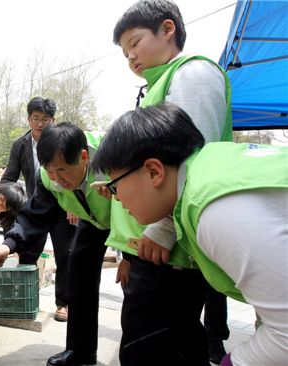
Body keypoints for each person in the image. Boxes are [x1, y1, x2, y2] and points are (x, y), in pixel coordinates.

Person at [92, 103, 288, 366]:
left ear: (154, 172)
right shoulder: (211, 171)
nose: (117, 198)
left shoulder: (215, 210)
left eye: (115, 186)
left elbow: (285, 333)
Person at [109, 1, 233, 364]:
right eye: (124, 52)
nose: (130, 56)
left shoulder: (192, 73)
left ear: (168, 29)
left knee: (156, 346)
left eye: (134, 43)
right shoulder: (160, 84)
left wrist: (163, 227)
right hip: (154, 246)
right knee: (158, 341)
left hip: (168, 248)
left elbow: (192, 155)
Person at [0, 122, 111, 366]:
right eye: (49, 171)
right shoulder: (48, 177)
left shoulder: (113, 158)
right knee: (79, 273)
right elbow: (35, 216)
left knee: (139, 286)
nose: (56, 179)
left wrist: (129, 255)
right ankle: (81, 351)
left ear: (84, 157)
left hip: (132, 219)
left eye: (62, 171)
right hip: (92, 221)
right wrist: (8, 245)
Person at [0, 96, 76, 322]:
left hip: (64, 206)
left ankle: (63, 303)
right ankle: (26, 298)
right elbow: (9, 176)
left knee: (66, 255)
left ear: (54, 120)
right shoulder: (20, 145)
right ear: (28, 119)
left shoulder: (63, 141)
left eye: (45, 119)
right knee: (27, 252)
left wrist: (75, 204)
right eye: (35, 118)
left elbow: (75, 173)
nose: (40, 124)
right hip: (35, 207)